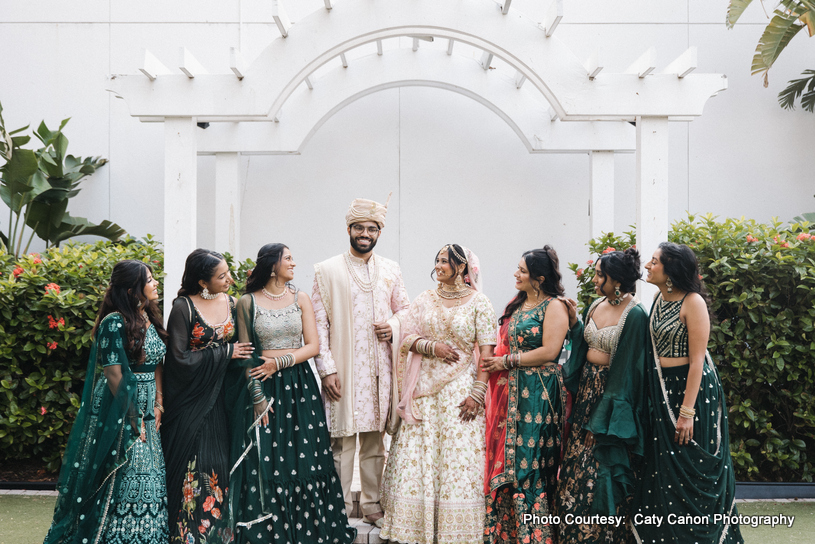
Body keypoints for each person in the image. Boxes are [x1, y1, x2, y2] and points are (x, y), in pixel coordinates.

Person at [225, 243, 356, 544]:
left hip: (299, 386)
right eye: (288, 258)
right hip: (262, 385)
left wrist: (279, 363)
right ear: (272, 265)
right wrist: (257, 397)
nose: (294, 263)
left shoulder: (301, 298)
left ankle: (308, 529)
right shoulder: (247, 302)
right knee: (269, 457)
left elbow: (313, 346)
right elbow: (245, 354)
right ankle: (271, 529)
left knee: (305, 457)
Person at [44, 260, 169, 544]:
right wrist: (133, 415)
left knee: (151, 471)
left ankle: (148, 536)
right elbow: (114, 373)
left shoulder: (149, 317)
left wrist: (159, 403)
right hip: (120, 405)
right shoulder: (114, 322)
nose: (155, 284)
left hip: (150, 404)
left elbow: (158, 363)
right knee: (128, 470)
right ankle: (116, 537)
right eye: (149, 280)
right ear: (131, 288)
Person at [379, 244, 497, 544]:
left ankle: (455, 531)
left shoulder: (479, 303)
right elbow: (405, 339)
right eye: (438, 261)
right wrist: (432, 347)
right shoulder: (424, 299)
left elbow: (486, 353)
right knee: (419, 455)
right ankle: (414, 527)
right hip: (424, 391)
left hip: (461, 390)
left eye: (445, 261)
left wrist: (478, 393)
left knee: (457, 457)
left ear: (461, 267)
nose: (439, 266)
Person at [632, 242, 743, 544]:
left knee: (692, 466)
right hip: (663, 388)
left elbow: (697, 361)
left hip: (693, 392)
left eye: (654, 262)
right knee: (664, 472)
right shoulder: (657, 298)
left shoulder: (692, 302)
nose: (647, 266)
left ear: (670, 271)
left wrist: (687, 412)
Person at [311, 195, 410, 527]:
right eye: (359, 227)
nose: (364, 233)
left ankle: (371, 504)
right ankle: (336, 507)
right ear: (349, 229)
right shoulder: (326, 270)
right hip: (342, 369)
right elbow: (318, 323)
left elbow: (406, 312)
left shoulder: (391, 270)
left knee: (374, 443)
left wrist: (393, 327)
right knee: (341, 445)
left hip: (380, 370)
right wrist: (327, 369)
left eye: (371, 228)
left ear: (378, 232)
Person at [556, 249, 649, 544]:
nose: (595, 280)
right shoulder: (596, 304)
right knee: (575, 464)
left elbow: (628, 372)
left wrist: (604, 418)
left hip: (610, 401)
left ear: (617, 281)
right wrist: (574, 322)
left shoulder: (635, 315)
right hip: (586, 394)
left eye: (600, 275)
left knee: (600, 467)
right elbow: (584, 346)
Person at [163, 249, 254, 543]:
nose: (229, 279)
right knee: (197, 464)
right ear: (203, 281)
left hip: (222, 398)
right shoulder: (183, 307)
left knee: (221, 464)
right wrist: (225, 351)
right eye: (221, 276)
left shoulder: (231, 302)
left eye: (227, 272)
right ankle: (188, 534)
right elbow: (178, 359)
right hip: (190, 401)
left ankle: (219, 533)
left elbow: (246, 346)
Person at [481, 246, 570, 544]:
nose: (515, 274)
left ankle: (535, 535)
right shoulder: (517, 305)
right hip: (512, 393)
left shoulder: (553, 306)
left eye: (522, 270)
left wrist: (506, 362)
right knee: (509, 462)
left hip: (539, 394)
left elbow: (550, 352)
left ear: (539, 278)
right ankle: (507, 533)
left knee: (531, 462)